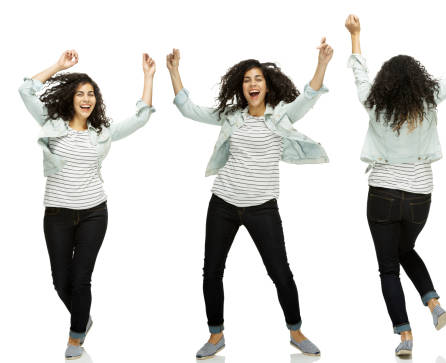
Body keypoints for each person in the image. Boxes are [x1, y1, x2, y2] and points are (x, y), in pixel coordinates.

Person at [166, 39, 332, 359]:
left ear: (267, 86)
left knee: (280, 272)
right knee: (211, 271)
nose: (252, 84)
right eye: (246, 80)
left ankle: (295, 332)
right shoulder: (231, 116)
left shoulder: (281, 115)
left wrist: (322, 63)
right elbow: (188, 109)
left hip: (262, 208)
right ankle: (216, 336)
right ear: (241, 87)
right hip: (223, 203)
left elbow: (309, 96)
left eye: (258, 79)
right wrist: (174, 71)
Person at [345, 12, 446, 356]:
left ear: (385, 82)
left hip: (383, 194)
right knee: (405, 250)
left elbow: (358, 71)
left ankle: (405, 337)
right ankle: (433, 303)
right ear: (418, 81)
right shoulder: (428, 101)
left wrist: (355, 34)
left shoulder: (374, 103)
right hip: (419, 197)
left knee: (389, 266)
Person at [19, 49, 156, 359]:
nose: (86, 98)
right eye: (80, 93)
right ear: (70, 98)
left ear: (96, 100)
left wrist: (148, 78)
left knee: (81, 278)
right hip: (57, 214)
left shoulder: (101, 133)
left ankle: (76, 336)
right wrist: (58, 65)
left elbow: (141, 117)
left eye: (91, 94)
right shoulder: (52, 123)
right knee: (60, 280)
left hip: (94, 213)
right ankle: (83, 316)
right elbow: (25, 89)